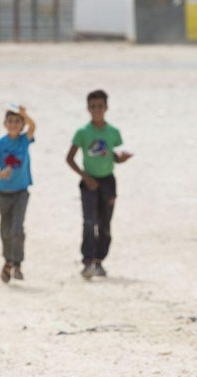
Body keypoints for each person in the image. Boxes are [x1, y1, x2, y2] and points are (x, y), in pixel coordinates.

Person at [65, 89, 133, 279]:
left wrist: (122, 159)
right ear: (88, 108)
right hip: (89, 182)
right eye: (93, 106)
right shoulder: (82, 133)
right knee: (88, 222)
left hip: (108, 182)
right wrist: (85, 177)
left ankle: (99, 261)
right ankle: (87, 261)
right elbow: (69, 158)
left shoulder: (113, 132)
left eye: (100, 106)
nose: (97, 110)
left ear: (106, 108)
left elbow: (114, 157)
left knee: (105, 224)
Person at [0, 106, 36, 283]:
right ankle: (8, 261)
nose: (13, 124)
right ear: (4, 124)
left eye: (17, 121)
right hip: (4, 193)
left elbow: (33, 127)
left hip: (21, 192)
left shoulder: (24, 141)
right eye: (10, 121)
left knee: (17, 228)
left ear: (22, 124)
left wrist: (25, 114)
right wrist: (0, 174)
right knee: (5, 231)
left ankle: (17, 263)